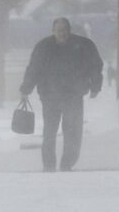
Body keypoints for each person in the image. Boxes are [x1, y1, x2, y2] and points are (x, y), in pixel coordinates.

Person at [19, 17, 103, 172]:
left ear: (69, 30)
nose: (62, 33)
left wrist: (95, 86)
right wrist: (26, 89)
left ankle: (67, 163)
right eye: (58, 30)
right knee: (49, 131)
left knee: (73, 131)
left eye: (64, 30)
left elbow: (95, 66)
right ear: (53, 31)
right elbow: (34, 69)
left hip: (74, 95)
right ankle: (49, 164)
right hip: (50, 96)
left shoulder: (83, 46)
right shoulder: (43, 47)